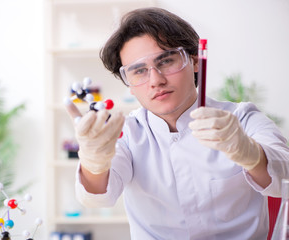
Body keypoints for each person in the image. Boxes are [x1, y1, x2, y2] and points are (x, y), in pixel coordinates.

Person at [65, 7, 289, 240]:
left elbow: (286, 178)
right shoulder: (127, 134)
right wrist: (94, 161)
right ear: (128, 83)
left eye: (166, 61)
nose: (156, 80)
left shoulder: (242, 118)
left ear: (194, 61)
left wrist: (250, 153)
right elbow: (97, 197)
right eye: (139, 71)